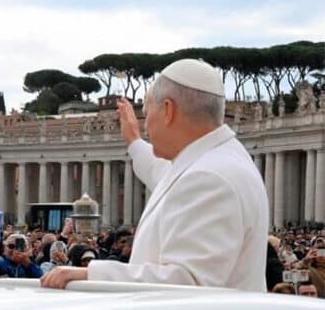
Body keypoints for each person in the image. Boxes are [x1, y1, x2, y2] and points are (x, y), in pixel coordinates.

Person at [43, 59, 269, 292]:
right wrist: (133, 142)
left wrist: (91, 273)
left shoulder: (210, 178)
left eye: (147, 113)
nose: (146, 126)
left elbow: (187, 283)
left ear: (168, 110)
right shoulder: (216, 161)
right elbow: (162, 175)